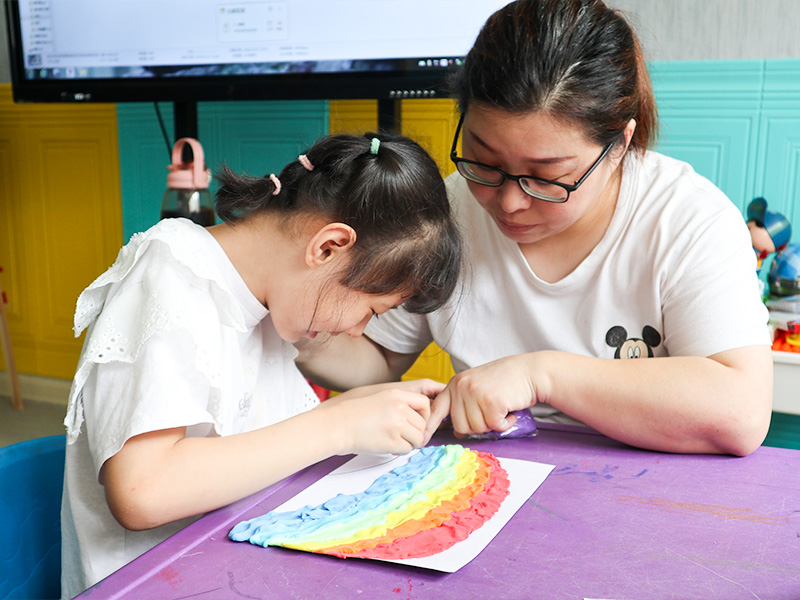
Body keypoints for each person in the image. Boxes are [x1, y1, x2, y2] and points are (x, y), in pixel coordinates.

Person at [296, 0, 773, 457]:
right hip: (491, 476)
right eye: (483, 161)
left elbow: (741, 412)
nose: (508, 202)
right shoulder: (449, 210)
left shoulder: (686, 219)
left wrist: (542, 376)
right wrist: (294, 319)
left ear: (620, 145)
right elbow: (378, 359)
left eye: (547, 178)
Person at [60, 132, 462, 597]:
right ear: (328, 247)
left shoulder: (266, 304)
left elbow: (266, 445)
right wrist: (337, 424)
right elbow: (142, 491)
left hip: (233, 570)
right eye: (371, 310)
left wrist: (363, 407)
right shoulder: (170, 275)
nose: (357, 330)